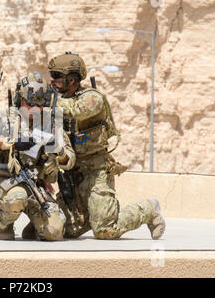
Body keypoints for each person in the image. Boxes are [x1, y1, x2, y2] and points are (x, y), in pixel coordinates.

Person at [48, 51, 166, 240]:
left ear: (71, 80)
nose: (51, 80)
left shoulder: (92, 98)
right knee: (63, 231)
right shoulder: (56, 104)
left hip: (97, 172)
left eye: (56, 76)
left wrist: (48, 101)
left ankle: (148, 209)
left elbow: (76, 110)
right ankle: (96, 213)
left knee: (105, 230)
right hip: (74, 173)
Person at [0, 72, 76, 241]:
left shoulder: (50, 123)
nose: (34, 109)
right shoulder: (6, 118)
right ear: (20, 100)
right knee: (17, 198)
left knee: (54, 232)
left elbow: (69, 159)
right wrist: (10, 142)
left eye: (39, 105)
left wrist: (57, 150)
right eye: (29, 104)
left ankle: (34, 226)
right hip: (9, 183)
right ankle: (4, 222)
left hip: (36, 187)